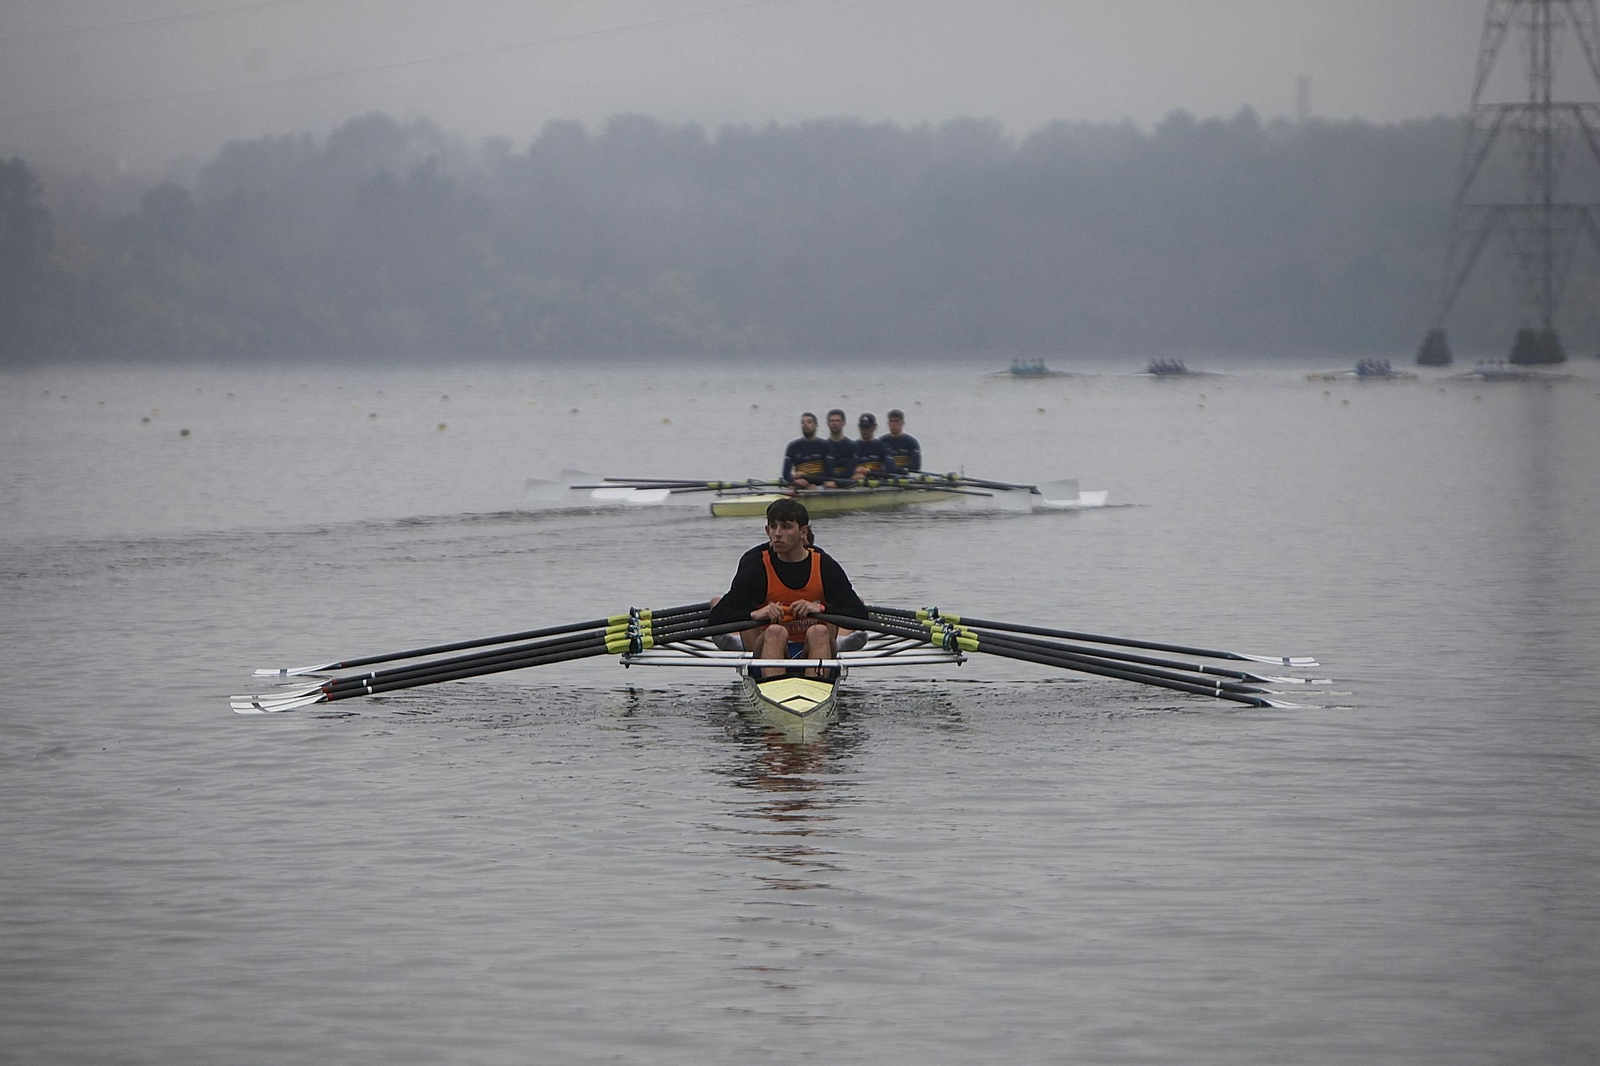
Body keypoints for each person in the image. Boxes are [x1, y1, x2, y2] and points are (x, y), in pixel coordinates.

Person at [709, 498, 868, 677]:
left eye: (785, 527)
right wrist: (753, 614)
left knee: (819, 631)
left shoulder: (825, 566)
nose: (777, 533)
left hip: (813, 647)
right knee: (775, 631)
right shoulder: (757, 569)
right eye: (773, 527)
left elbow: (859, 614)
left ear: (803, 532)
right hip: (770, 647)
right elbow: (717, 617)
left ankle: (816, 689)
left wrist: (821, 608)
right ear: (767, 530)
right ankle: (774, 690)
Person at [781, 412, 832, 489]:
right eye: (803, 422)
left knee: (812, 488)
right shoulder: (793, 446)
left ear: (816, 425)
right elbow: (786, 474)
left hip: (819, 483)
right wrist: (794, 480)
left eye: (809, 422)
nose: (805, 424)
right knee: (792, 489)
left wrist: (807, 477)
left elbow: (829, 473)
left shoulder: (825, 445)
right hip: (800, 483)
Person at [851, 412, 894, 480]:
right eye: (862, 427)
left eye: (868, 428)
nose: (865, 431)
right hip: (856, 483)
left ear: (874, 428)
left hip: (878, 482)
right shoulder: (852, 447)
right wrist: (853, 472)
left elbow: (890, 470)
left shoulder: (884, 447)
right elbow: (845, 470)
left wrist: (867, 472)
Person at [823, 408, 858, 487]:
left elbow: (851, 470)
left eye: (837, 421)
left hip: (848, 483)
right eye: (832, 421)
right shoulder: (823, 446)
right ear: (828, 424)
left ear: (843, 423)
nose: (835, 423)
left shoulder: (852, 445)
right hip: (828, 484)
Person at [882, 409, 922, 473]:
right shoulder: (882, 441)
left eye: (896, 421)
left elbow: (916, 467)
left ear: (903, 423)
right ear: (888, 423)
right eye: (891, 421)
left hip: (904, 478)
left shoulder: (912, 442)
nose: (893, 424)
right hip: (885, 478)